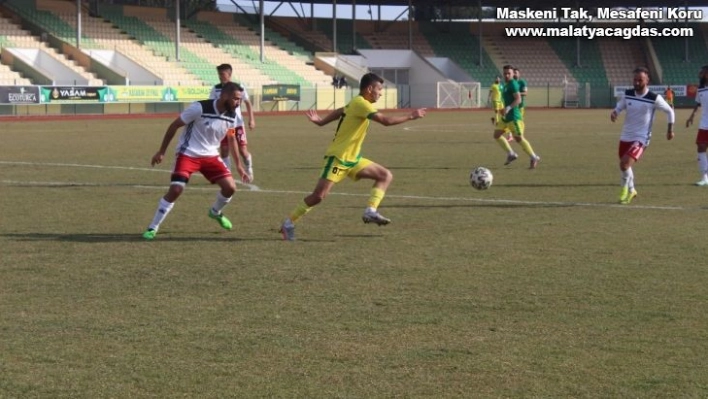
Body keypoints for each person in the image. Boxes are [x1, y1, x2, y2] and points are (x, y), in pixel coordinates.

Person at [278, 72, 427, 241]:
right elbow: (385, 121)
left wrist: (321, 122)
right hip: (338, 158)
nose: (381, 93)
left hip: (353, 159)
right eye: (379, 89)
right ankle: (288, 223)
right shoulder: (361, 104)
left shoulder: (356, 103)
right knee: (319, 196)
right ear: (370, 89)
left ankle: (370, 211)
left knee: (385, 175)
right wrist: (411, 116)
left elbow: (341, 110)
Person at [142, 82, 250, 240]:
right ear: (224, 96)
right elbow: (174, 126)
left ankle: (215, 212)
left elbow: (231, 138)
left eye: (240, 99)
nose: (238, 103)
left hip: (211, 156)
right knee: (176, 190)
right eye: (235, 99)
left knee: (230, 188)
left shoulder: (232, 115)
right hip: (188, 153)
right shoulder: (199, 108)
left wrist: (239, 167)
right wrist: (161, 151)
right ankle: (153, 227)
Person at [611, 67, 674, 204]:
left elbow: (670, 111)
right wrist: (615, 112)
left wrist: (670, 130)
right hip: (625, 136)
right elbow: (620, 106)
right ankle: (632, 190)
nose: (637, 82)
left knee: (624, 164)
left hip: (641, 137)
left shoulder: (654, 98)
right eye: (635, 80)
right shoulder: (628, 94)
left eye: (640, 80)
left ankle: (624, 189)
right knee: (626, 166)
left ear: (647, 80)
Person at [210, 63, 256, 182]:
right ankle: (227, 175)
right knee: (224, 150)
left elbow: (248, 103)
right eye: (219, 74)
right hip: (224, 125)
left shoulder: (239, 87)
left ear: (229, 74)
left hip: (237, 125)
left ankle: (249, 168)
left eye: (222, 74)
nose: (220, 76)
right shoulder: (216, 89)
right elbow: (212, 105)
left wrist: (251, 119)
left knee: (242, 150)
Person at [494, 64, 541, 169]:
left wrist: (508, 108)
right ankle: (511, 154)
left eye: (508, 73)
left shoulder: (513, 84)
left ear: (512, 74)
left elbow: (518, 99)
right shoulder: (506, 85)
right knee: (496, 135)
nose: (506, 75)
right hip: (506, 117)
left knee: (518, 138)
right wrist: (503, 109)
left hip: (514, 117)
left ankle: (534, 157)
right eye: (505, 73)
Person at [685, 65, 708, 186]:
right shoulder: (700, 90)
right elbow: (698, 104)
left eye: (702, 72)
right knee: (701, 147)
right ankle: (705, 177)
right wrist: (691, 117)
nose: (700, 74)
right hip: (704, 124)